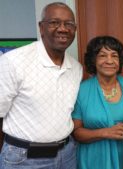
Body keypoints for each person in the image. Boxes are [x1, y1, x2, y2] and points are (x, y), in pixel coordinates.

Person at [0, 2, 82, 169]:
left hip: (67, 155)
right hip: (24, 159)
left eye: (69, 24)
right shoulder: (13, 61)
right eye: (54, 22)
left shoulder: (76, 68)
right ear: (41, 27)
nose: (62, 28)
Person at [72, 36, 123, 169]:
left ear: (119, 61)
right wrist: (105, 132)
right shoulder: (81, 90)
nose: (109, 61)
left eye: (114, 56)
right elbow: (76, 133)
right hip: (95, 159)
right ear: (93, 60)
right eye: (102, 55)